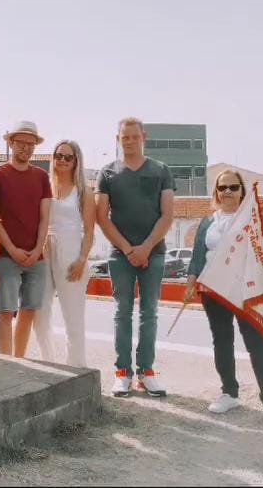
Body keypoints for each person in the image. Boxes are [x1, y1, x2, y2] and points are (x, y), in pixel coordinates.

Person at [184, 169, 263, 421]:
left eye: (233, 187)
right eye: (222, 188)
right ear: (216, 192)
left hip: (246, 291)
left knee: (256, 343)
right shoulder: (208, 222)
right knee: (222, 342)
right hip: (214, 292)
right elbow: (198, 257)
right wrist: (190, 284)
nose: (227, 192)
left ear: (242, 191)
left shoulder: (253, 219)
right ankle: (229, 393)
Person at [96, 117, 174, 397]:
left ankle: (146, 372)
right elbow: (101, 218)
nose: (129, 141)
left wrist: (146, 248)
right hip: (120, 255)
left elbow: (167, 215)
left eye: (133, 136)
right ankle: (122, 373)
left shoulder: (161, 170)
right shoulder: (107, 173)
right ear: (117, 139)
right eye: (123, 137)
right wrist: (129, 250)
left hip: (154, 254)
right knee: (122, 313)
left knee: (149, 313)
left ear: (143, 136)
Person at [0, 121, 51, 358]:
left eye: (31, 144)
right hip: (7, 255)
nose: (26, 148)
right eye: (21, 143)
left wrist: (38, 249)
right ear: (11, 143)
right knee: (6, 311)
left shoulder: (42, 177)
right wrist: (12, 249)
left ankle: (20, 361)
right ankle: (7, 364)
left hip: (37, 257)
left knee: (28, 311)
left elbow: (45, 217)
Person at [33, 140, 94, 367]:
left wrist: (82, 259)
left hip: (71, 252)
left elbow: (89, 231)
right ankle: (48, 363)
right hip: (44, 250)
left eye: (68, 157)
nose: (62, 160)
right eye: (59, 155)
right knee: (40, 313)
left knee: (73, 316)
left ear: (76, 161)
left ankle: (76, 367)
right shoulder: (45, 186)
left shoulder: (84, 192)